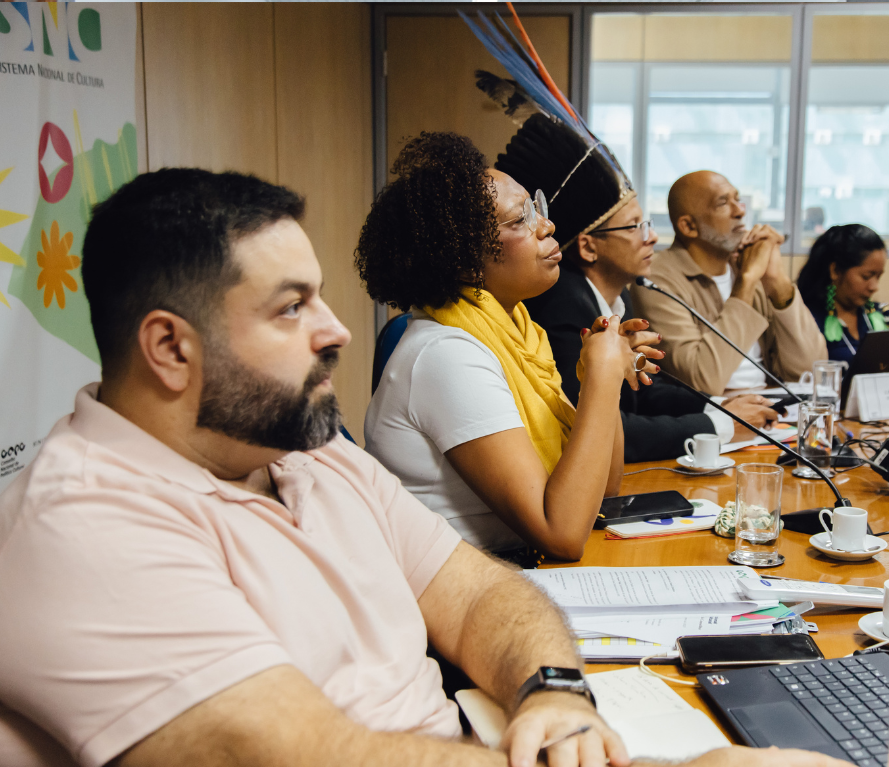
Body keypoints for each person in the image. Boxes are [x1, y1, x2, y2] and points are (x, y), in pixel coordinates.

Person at [0, 168, 630, 767]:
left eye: (319, 297)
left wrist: (554, 691)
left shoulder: (308, 448)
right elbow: (312, 753)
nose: (337, 332)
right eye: (291, 307)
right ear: (170, 348)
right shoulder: (86, 526)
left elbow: (476, 597)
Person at [359, 132, 660, 563]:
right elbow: (561, 534)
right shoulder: (448, 356)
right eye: (521, 220)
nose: (548, 225)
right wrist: (600, 379)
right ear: (463, 257)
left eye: (536, 207)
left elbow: (602, 492)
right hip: (454, 597)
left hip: (507, 570)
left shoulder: (518, 334)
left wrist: (607, 383)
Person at [481, 93, 778, 461]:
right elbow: (604, 426)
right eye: (635, 226)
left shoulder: (616, 297)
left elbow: (643, 393)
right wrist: (722, 425)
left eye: (647, 223)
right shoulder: (564, 307)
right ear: (589, 248)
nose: (651, 236)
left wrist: (719, 405)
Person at [630, 171, 826, 396]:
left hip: (772, 407)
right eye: (723, 203)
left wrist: (776, 280)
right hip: (715, 417)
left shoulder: (747, 265)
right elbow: (702, 379)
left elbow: (811, 373)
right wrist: (747, 282)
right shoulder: (656, 278)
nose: (740, 211)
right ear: (688, 226)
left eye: (738, 199)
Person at [796, 224, 889, 364]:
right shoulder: (808, 319)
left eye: (878, 277)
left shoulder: (881, 314)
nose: (874, 287)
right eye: (866, 276)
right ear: (835, 271)